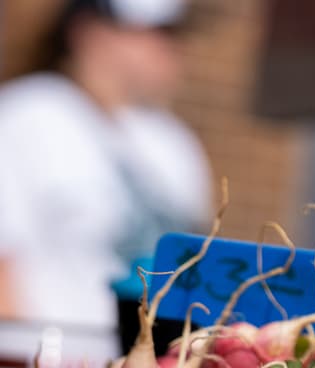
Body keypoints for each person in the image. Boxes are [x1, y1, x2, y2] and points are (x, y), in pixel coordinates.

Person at [0, 0, 212, 348]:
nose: (172, 46)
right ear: (91, 32)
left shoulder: (176, 144)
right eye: (157, 32)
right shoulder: (24, 118)